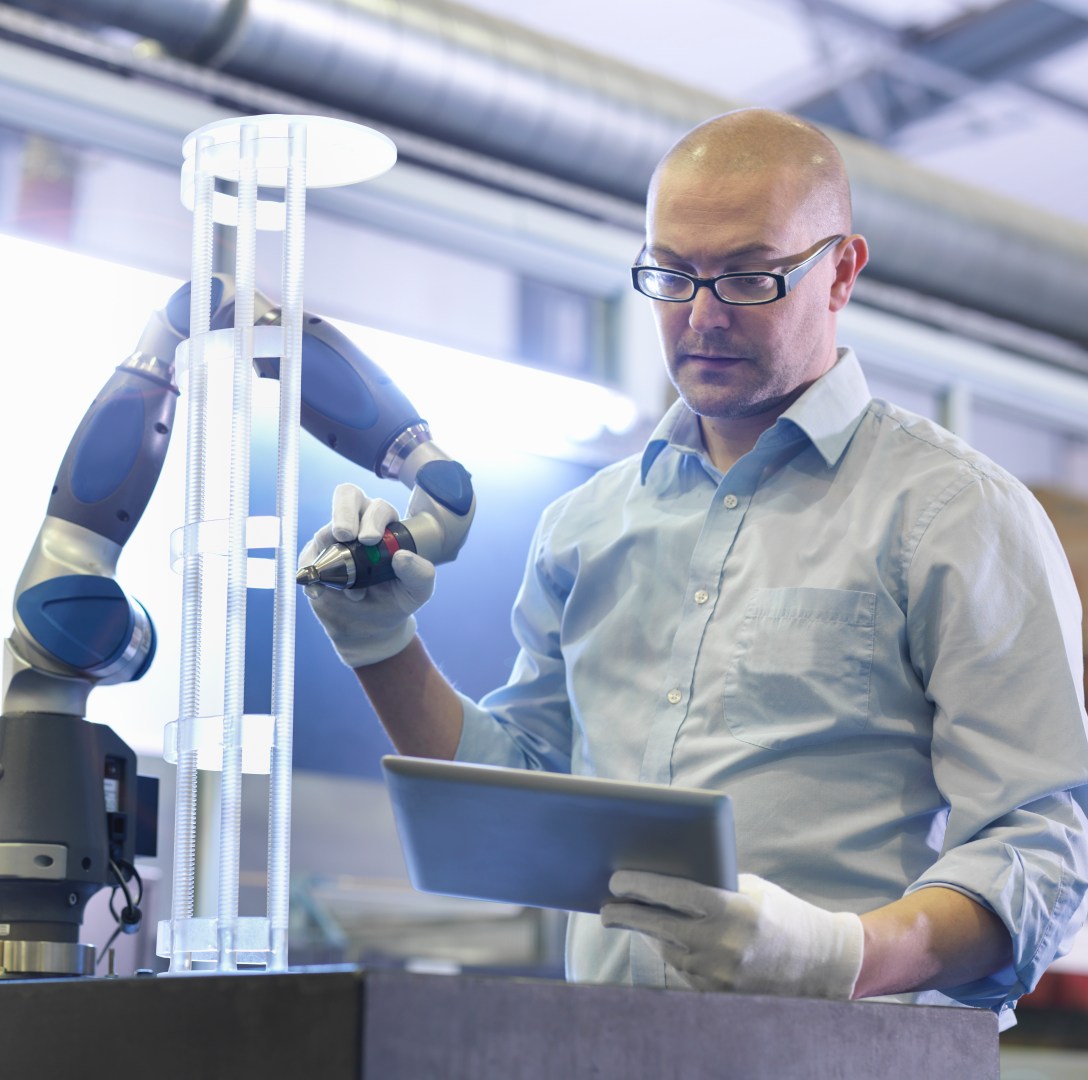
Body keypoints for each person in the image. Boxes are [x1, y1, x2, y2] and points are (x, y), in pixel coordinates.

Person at [299, 107, 1088, 1026]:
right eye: (671, 275)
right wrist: (381, 642)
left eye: (747, 276)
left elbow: (1039, 848)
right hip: (610, 1046)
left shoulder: (955, 514)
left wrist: (843, 955)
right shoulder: (585, 526)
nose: (701, 316)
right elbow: (514, 803)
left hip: (852, 1055)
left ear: (840, 271)